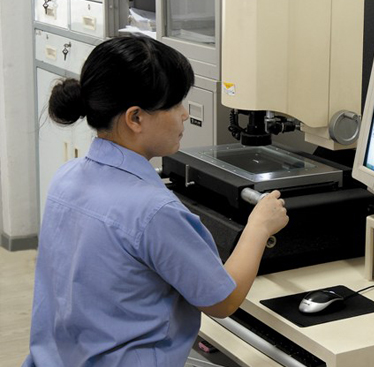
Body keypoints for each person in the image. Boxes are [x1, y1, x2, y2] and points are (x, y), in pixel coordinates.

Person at [22, 36, 289, 367]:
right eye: (175, 104)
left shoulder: (65, 177)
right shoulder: (153, 212)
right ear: (135, 118)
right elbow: (224, 300)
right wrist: (259, 226)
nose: (185, 114)